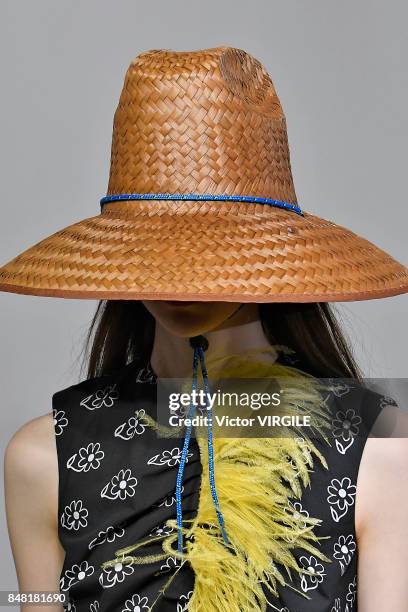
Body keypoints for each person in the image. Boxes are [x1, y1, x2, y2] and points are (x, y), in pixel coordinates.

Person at [1, 46, 408, 612]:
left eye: (215, 250)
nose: (182, 281)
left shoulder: (381, 448)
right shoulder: (42, 454)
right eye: (155, 249)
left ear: (267, 253)